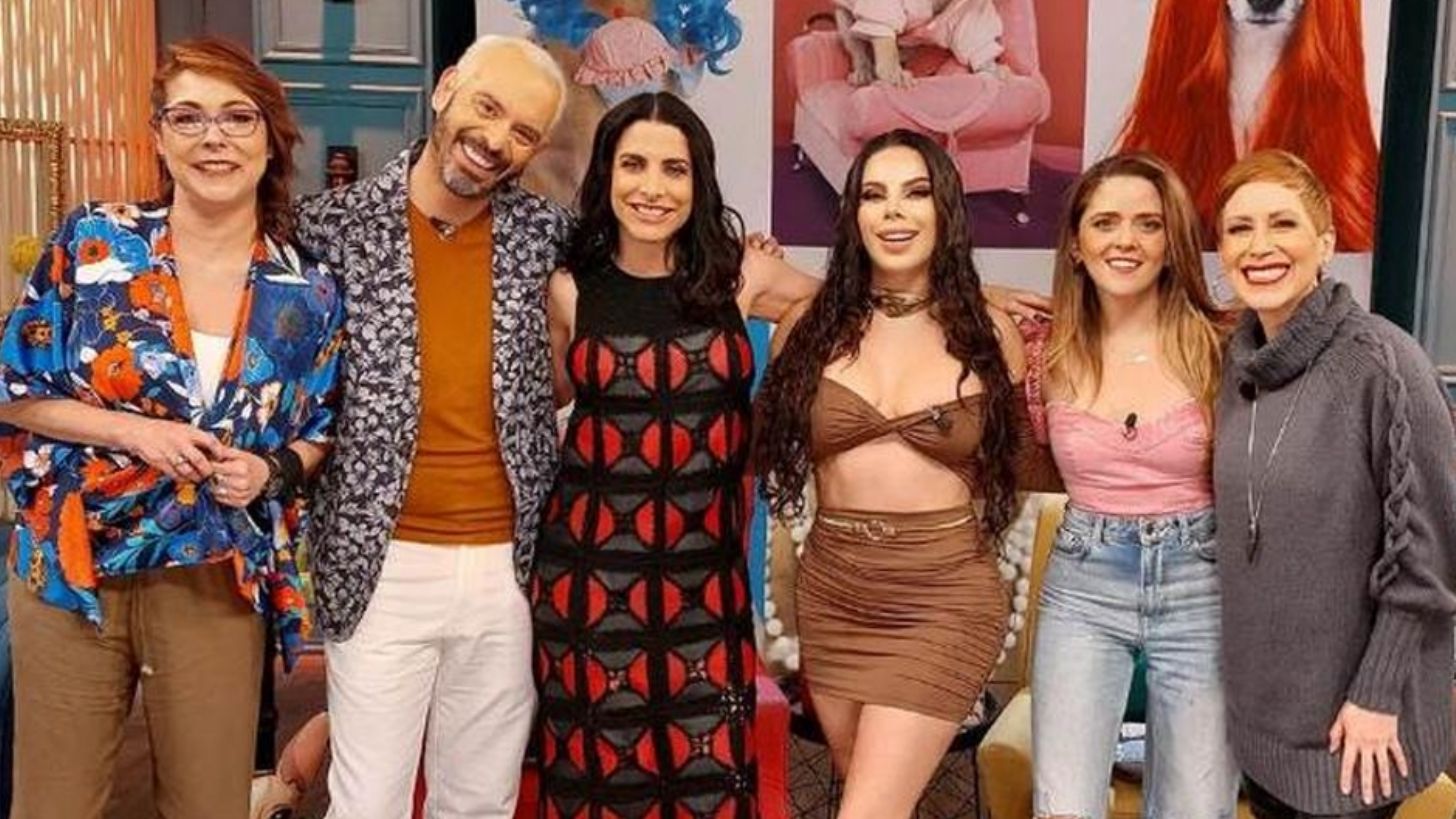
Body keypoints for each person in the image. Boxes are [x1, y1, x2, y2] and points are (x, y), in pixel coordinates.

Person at [0, 37, 342, 819]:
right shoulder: (96, 243)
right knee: (54, 803)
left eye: (236, 117)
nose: (213, 137)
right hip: (73, 559)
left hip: (214, 570)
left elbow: (321, 428)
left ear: (269, 137)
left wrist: (269, 471)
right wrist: (132, 433)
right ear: (158, 136)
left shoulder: (309, 289)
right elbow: (14, 389)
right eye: (188, 117)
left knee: (208, 802)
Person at [291, 35, 573, 818]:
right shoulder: (329, 228)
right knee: (368, 803)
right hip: (379, 563)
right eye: (488, 106)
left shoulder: (547, 234)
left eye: (523, 131)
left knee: (480, 800)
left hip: (509, 569)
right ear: (447, 88)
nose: (497, 139)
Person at [753, 129, 1060, 819]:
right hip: (833, 594)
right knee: (873, 794)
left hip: (943, 595)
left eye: (915, 193)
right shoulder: (807, 326)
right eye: (874, 195)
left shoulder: (990, 330)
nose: (894, 211)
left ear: (944, 209)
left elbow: (1025, 460)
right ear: (853, 215)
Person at [532, 91, 820, 818]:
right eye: (634, 165)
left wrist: (771, 410)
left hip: (706, 587)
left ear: (700, 182)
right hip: (589, 585)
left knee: (710, 784)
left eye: (674, 169)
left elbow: (849, 307)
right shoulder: (569, 287)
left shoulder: (741, 275)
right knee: (602, 786)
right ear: (606, 173)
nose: (652, 188)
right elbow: (542, 405)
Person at [1212, 149, 1456, 817]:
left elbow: (1428, 559)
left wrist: (1378, 693)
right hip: (1263, 725)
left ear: (1324, 242)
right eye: (1239, 229)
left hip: (1356, 727)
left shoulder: (1383, 362)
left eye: (1283, 223)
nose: (1260, 246)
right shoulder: (1238, 365)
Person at [1024, 152, 1238, 818]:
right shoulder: (1041, 349)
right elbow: (928, 303)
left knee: (1196, 807)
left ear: (1173, 244)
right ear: (1075, 243)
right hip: (1085, 580)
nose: (1126, 240)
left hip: (1203, 582)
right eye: (1105, 222)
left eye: (1149, 224)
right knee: (1063, 806)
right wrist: (990, 295)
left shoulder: (1224, 345)